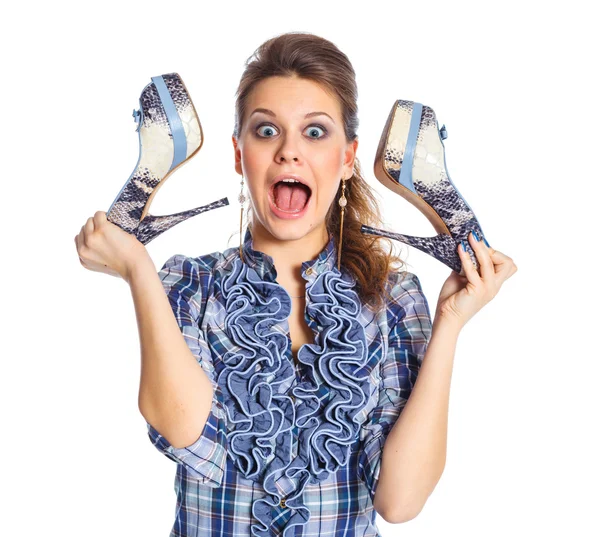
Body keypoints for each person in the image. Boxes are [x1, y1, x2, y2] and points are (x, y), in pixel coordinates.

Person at [74, 32, 517, 537]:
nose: (288, 152)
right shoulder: (187, 284)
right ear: (239, 155)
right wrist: (138, 270)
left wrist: (450, 324)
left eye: (315, 133)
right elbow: (185, 430)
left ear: (348, 159)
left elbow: (400, 500)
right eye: (266, 132)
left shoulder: (392, 299)